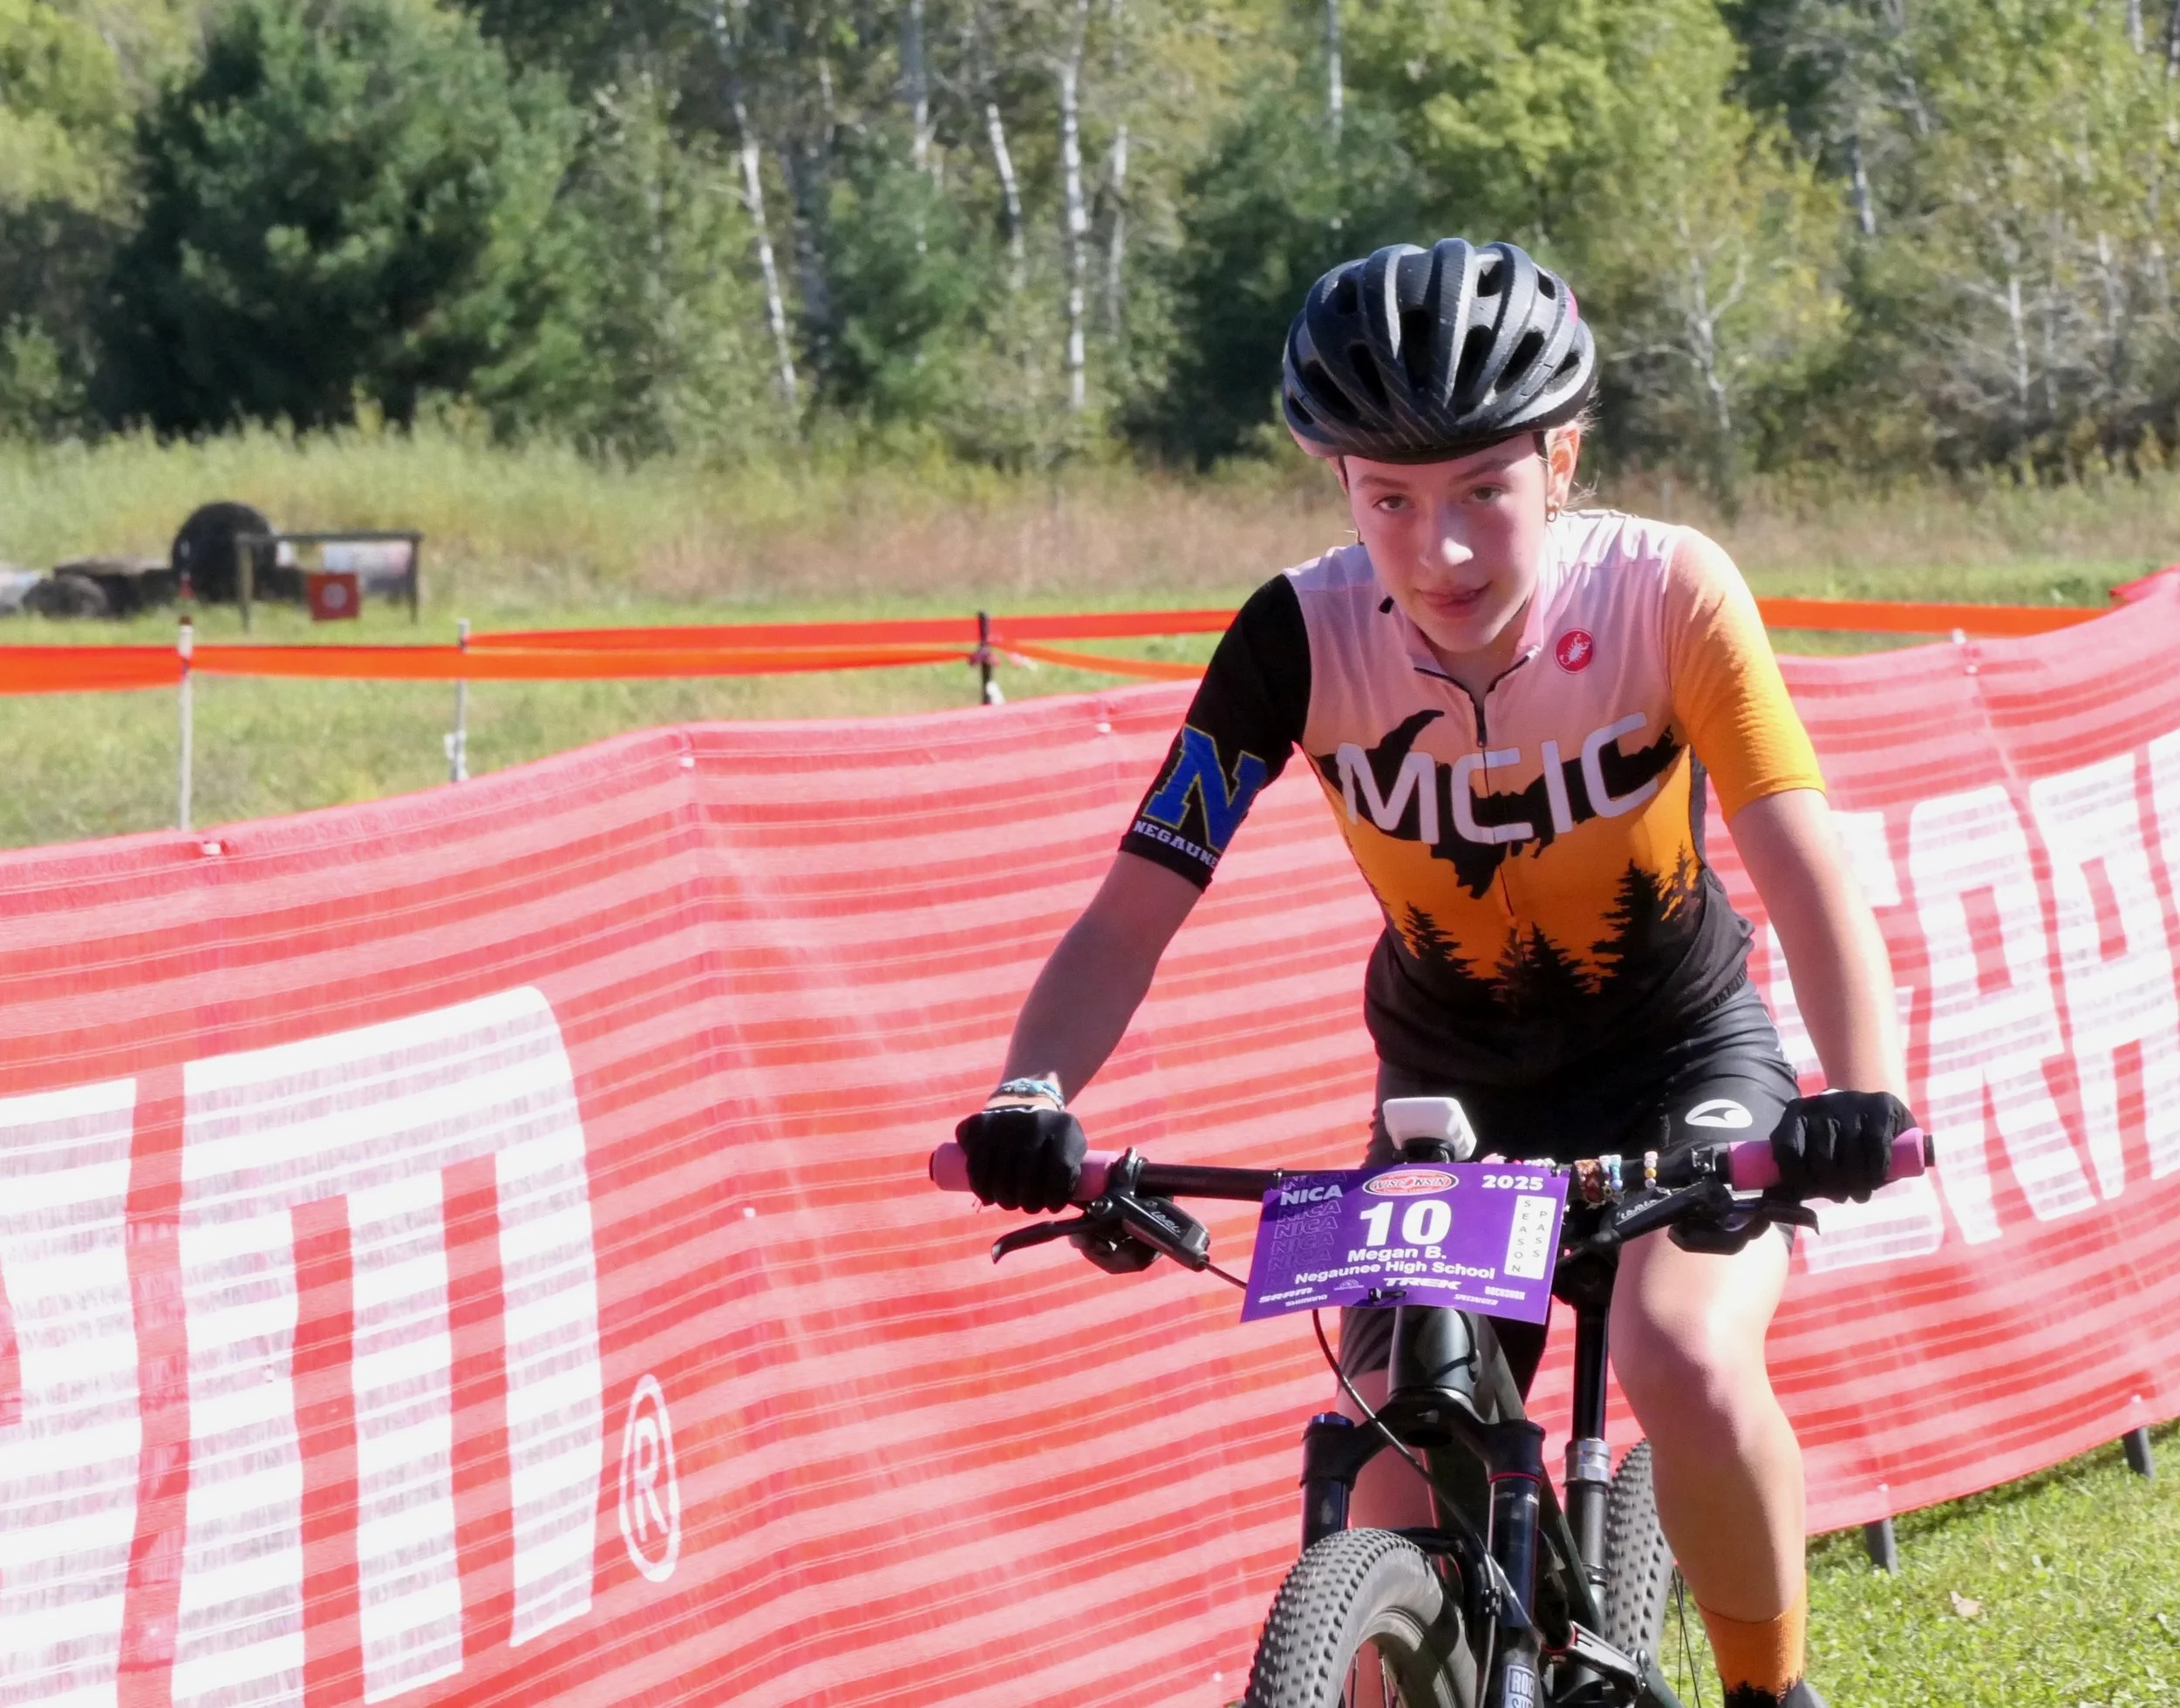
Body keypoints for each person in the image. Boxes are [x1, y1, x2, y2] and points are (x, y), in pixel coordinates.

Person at [953, 237, 1915, 1708]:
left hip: (1681, 1058)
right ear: (1334, 481)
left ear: (1563, 456)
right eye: (1389, 499)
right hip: (1449, 1095)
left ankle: (1771, 1694)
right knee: (1393, 1487)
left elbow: (1804, 870)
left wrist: (1864, 1094)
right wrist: (1032, 1093)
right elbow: (1131, 910)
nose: (1440, 549)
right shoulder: (1294, 635)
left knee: (1682, 1354)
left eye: (1484, 491)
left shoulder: (1671, 593)